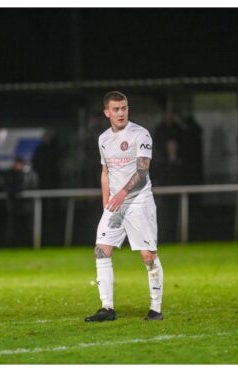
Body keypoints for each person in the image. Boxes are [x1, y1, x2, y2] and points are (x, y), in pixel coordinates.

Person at [85, 91, 164, 322]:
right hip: (115, 205)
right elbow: (105, 171)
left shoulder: (141, 134)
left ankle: (156, 309)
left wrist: (120, 194)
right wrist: (106, 203)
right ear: (107, 112)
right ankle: (107, 308)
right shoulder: (103, 139)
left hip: (139, 201)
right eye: (116, 109)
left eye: (124, 108)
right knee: (101, 249)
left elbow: (142, 171)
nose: (121, 113)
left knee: (148, 255)